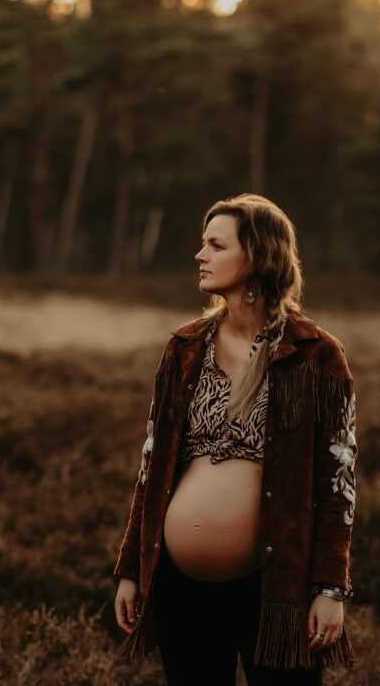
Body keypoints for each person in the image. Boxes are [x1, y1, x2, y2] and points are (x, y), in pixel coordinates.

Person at [113, 194, 358, 685]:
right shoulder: (185, 348)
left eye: (215, 245)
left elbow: (339, 483)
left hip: (276, 590)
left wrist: (330, 588)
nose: (200, 255)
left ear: (257, 256)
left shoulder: (315, 355)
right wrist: (131, 568)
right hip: (184, 591)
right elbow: (152, 465)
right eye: (203, 244)